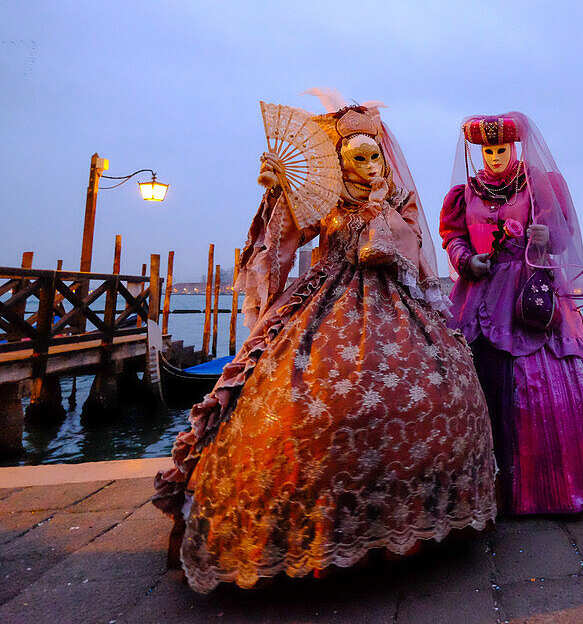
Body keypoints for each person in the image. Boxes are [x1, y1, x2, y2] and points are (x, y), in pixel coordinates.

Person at [153, 94, 497, 593]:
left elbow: (412, 255)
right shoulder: (323, 199)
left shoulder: (399, 201)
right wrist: (277, 191)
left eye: (374, 153)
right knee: (306, 408)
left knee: (432, 394)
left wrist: (386, 223)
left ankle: (412, 527)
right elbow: (283, 241)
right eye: (358, 155)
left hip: (400, 306)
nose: (370, 163)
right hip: (324, 301)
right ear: (340, 159)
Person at [439, 112, 583, 514]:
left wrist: (547, 236)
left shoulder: (539, 185)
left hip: (533, 294)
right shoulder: (466, 194)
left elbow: (562, 236)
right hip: (480, 295)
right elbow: (454, 236)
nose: (494, 157)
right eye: (487, 150)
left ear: (514, 148)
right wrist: (465, 260)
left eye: (501, 149)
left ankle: (554, 483)